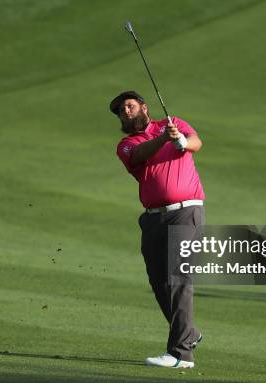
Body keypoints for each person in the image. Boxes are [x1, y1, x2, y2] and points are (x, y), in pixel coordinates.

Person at [111, 90, 205, 368]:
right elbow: (140, 154)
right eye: (120, 111)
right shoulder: (126, 145)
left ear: (143, 107)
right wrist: (165, 138)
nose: (125, 112)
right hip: (153, 219)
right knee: (159, 283)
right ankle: (189, 333)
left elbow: (197, 142)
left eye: (129, 106)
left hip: (186, 211)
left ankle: (181, 354)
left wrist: (182, 143)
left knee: (178, 280)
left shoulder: (172, 122)